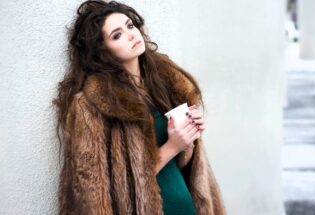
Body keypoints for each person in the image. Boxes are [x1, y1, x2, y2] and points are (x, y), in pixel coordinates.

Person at [52, 0, 226, 214]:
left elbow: (181, 167)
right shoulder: (91, 108)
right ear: (102, 51)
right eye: (117, 35)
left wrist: (188, 138)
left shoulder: (163, 86)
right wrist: (172, 146)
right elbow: (102, 193)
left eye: (130, 26)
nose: (132, 34)